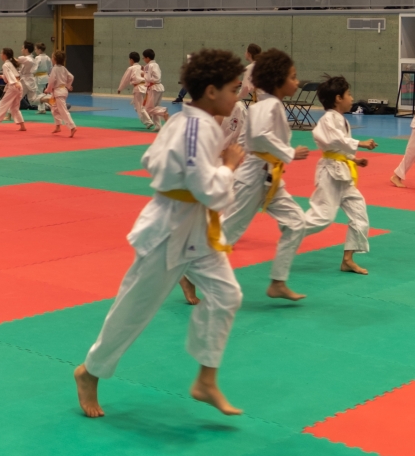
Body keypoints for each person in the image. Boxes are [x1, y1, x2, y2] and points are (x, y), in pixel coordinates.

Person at [74, 49, 247, 419]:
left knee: (227, 294)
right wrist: (228, 167)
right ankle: (89, 372)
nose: (239, 97)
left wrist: (193, 171)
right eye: (235, 89)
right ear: (212, 91)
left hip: (195, 228)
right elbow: (207, 188)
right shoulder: (194, 128)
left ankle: (206, 379)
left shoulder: (187, 122)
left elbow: (150, 160)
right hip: (168, 231)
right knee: (133, 310)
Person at [221, 49, 313, 301]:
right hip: (253, 176)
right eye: (293, 77)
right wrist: (289, 152)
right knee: (229, 231)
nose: (296, 82)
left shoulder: (269, 104)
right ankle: (189, 270)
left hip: (268, 176)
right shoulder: (268, 105)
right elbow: (260, 136)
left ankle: (278, 281)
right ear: (277, 80)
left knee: (296, 223)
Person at [293, 76, 376, 275]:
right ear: (338, 98)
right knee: (323, 217)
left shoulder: (340, 119)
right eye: (348, 94)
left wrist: (355, 159)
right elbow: (333, 140)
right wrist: (361, 143)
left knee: (360, 215)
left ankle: (347, 260)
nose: (351, 97)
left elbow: (339, 145)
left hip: (343, 172)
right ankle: (292, 230)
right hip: (330, 173)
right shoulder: (327, 119)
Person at [0, 48, 29, 131]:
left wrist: (14, 82)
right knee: (14, 107)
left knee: (3, 104)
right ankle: (22, 126)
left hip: (14, 85)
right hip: (18, 85)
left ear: (5, 55)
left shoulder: (6, 65)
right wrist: (0, 76)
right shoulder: (10, 63)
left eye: (1, 53)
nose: (0, 55)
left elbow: (10, 76)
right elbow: (11, 75)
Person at [47, 50, 76, 137]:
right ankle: (58, 126)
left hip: (58, 92)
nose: (52, 59)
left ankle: (72, 127)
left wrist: (48, 89)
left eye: (52, 57)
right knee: (54, 108)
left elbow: (52, 80)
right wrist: (68, 85)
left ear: (55, 59)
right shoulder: (63, 68)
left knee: (63, 110)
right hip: (62, 90)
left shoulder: (54, 69)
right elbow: (71, 77)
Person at [142, 49, 168, 129]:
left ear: (148, 58)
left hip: (154, 88)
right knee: (155, 106)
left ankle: (163, 111)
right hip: (158, 87)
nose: (143, 60)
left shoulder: (148, 66)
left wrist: (143, 74)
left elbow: (152, 78)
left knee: (149, 109)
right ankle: (158, 126)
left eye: (144, 58)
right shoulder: (156, 65)